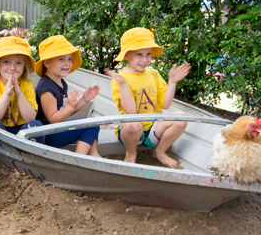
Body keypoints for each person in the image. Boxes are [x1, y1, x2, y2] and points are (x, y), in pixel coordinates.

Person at [103, 27, 190, 168]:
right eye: (139, 55)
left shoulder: (153, 74)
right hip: (131, 131)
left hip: (153, 129)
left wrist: (172, 82)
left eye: (148, 54)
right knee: (132, 124)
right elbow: (131, 111)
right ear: (126, 56)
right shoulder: (120, 79)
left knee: (181, 118)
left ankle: (160, 152)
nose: (145, 60)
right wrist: (123, 84)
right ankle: (131, 154)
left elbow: (165, 105)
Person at [34, 35, 102, 156]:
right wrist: (70, 107)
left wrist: (84, 100)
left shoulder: (59, 82)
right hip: (48, 135)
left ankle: (93, 153)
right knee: (92, 125)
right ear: (47, 63)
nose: (67, 63)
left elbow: (65, 111)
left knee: (91, 124)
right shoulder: (47, 89)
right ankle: (79, 158)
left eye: (69, 59)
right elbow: (53, 119)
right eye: (61, 59)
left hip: (56, 130)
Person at [0, 36, 44, 143]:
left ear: (24, 66)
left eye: (18, 63)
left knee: (37, 125)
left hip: (22, 131)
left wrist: (19, 93)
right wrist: (7, 94)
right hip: (1, 129)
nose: (12, 68)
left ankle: (29, 154)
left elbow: (30, 118)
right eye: (6, 62)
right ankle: (0, 154)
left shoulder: (26, 85)